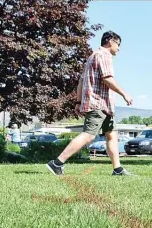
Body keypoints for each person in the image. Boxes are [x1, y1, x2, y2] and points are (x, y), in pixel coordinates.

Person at [47, 30, 134, 176]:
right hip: (98, 103)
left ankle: (117, 169)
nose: (119, 48)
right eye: (118, 44)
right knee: (89, 135)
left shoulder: (91, 57)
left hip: (105, 105)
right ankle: (57, 163)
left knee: (112, 135)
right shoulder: (103, 55)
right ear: (110, 41)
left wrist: (78, 102)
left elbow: (81, 81)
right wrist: (124, 93)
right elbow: (107, 78)